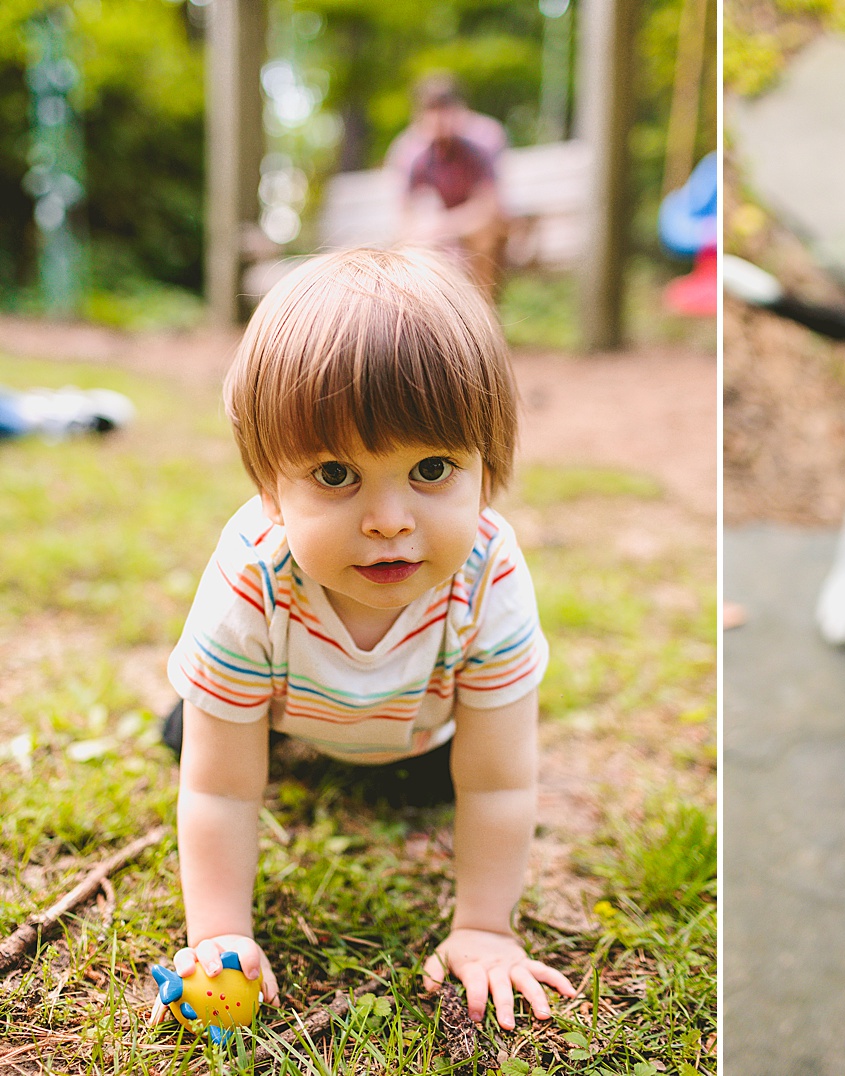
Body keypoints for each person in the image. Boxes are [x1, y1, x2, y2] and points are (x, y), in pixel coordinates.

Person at [151, 248, 576, 1030]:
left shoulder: (488, 573)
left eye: (433, 467)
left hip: (419, 732)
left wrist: (483, 928)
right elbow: (221, 790)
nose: (388, 519)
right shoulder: (255, 573)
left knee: (443, 783)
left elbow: (499, 783)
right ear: (268, 487)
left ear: (489, 467)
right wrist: (220, 936)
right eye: (337, 475)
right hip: (284, 710)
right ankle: (232, 719)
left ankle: (382, 763)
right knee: (202, 739)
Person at [395, 74, 508, 299]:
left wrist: (444, 226)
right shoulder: (418, 156)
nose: (439, 120)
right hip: (444, 230)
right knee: (413, 247)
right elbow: (406, 215)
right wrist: (423, 232)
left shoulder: (477, 150)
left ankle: (482, 310)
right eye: (432, 111)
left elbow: (489, 208)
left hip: (476, 229)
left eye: (445, 110)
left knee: (483, 239)